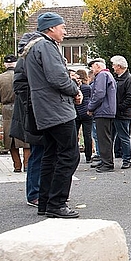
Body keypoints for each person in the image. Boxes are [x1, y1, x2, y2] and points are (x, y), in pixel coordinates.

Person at [25, 12, 82, 218]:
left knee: (50, 155)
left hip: (45, 110)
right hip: (57, 109)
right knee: (69, 155)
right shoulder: (47, 46)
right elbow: (58, 78)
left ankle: (46, 202)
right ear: (50, 29)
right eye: (62, 27)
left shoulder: (34, 47)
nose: (65, 31)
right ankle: (57, 203)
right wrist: (75, 90)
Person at [11, 33, 45, 208]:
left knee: (41, 154)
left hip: (37, 113)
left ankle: (42, 192)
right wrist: (36, 102)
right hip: (33, 115)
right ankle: (34, 194)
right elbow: (20, 86)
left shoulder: (28, 59)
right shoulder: (25, 60)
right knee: (37, 154)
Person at [0, 54, 30, 172]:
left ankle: (17, 165)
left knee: (10, 138)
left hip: (7, 109)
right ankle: (27, 164)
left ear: (5, 64)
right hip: (22, 106)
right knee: (26, 136)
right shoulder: (24, 75)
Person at [88, 58, 117, 173]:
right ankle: (106, 161)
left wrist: (90, 107)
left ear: (97, 66)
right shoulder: (108, 75)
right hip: (108, 110)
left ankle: (107, 163)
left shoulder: (101, 76)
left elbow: (99, 94)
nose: (92, 69)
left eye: (92, 67)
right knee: (106, 138)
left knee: (103, 139)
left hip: (102, 111)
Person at [110, 55, 131, 169]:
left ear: (119, 66)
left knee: (124, 137)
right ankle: (110, 157)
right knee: (113, 136)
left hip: (122, 113)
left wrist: (119, 107)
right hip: (116, 112)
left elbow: (130, 97)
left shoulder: (128, 79)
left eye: (114, 65)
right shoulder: (118, 78)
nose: (112, 67)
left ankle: (127, 159)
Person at [74, 69, 93, 163]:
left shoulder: (78, 87)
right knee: (87, 135)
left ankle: (74, 154)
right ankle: (88, 156)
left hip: (77, 112)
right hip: (86, 112)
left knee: (74, 134)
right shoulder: (88, 87)